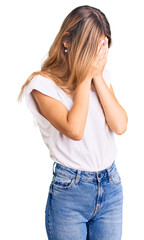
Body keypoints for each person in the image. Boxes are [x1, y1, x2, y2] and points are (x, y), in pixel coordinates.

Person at [17, 5, 128, 240]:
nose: (98, 57)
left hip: (110, 186)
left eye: (102, 48)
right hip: (70, 191)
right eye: (92, 48)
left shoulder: (102, 78)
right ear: (67, 41)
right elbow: (74, 129)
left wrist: (96, 76)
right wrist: (86, 75)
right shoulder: (42, 85)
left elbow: (120, 125)